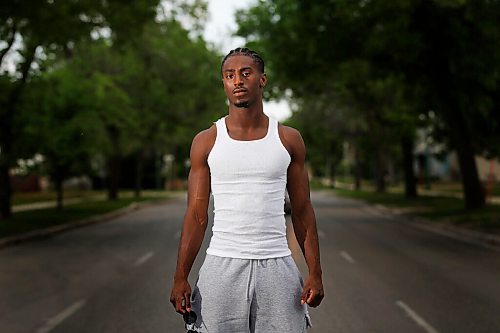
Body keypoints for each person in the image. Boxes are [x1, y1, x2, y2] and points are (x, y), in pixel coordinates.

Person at [170, 47, 324, 332]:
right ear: (224, 84)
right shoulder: (206, 142)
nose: (237, 81)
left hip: (277, 265)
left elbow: (302, 210)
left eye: (245, 73)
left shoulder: (289, 139)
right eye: (230, 75)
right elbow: (196, 215)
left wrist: (315, 272)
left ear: (262, 80)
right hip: (221, 266)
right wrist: (181, 276)